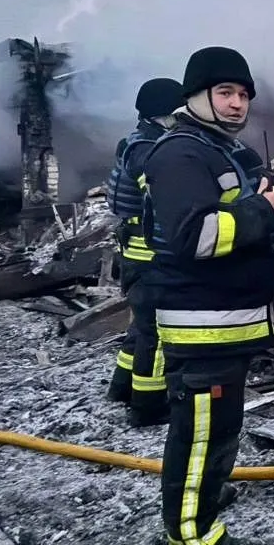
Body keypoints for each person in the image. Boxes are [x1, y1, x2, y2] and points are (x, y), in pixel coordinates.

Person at [140, 46, 274, 545]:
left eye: (243, 94)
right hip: (201, 330)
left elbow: (242, 195)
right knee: (200, 439)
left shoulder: (221, 150)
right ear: (196, 95)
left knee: (218, 434)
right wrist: (264, 209)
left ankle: (206, 508)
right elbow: (197, 236)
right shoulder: (179, 155)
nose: (238, 103)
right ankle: (191, 538)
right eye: (225, 92)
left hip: (225, 329)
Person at [104, 77, 185, 428]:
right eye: (178, 112)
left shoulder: (138, 140)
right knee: (157, 332)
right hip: (150, 256)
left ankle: (121, 388)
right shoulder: (146, 149)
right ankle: (148, 406)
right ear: (163, 113)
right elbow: (160, 192)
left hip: (136, 254)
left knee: (141, 327)